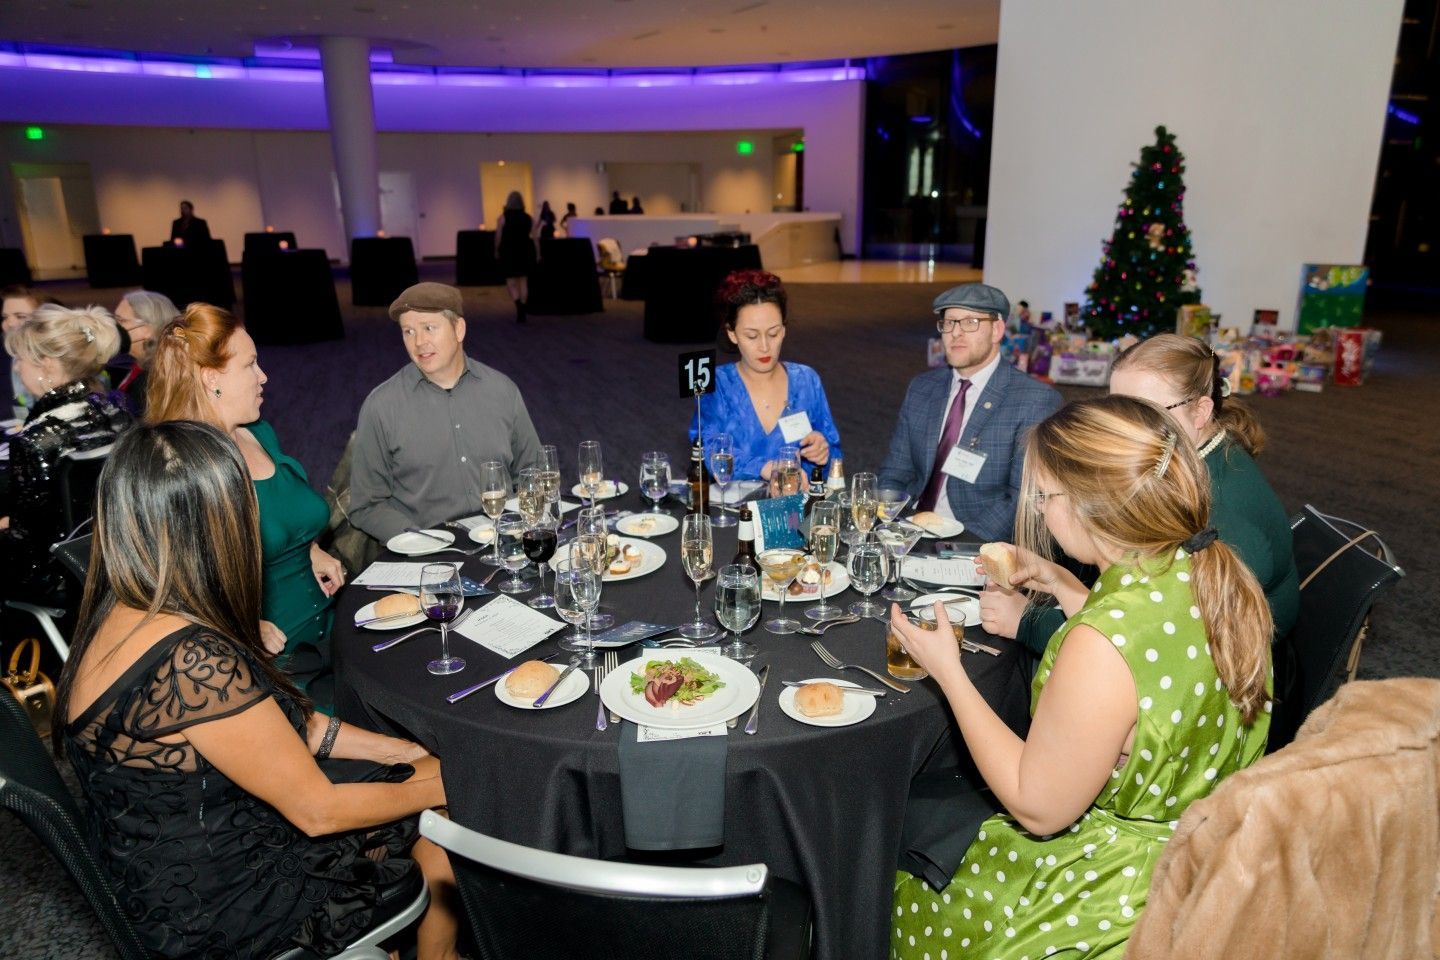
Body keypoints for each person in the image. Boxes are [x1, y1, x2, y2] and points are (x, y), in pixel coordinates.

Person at [54, 420, 460, 960]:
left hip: (174, 871)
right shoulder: (188, 661)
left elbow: (294, 724)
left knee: (422, 769)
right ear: (209, 527)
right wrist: (447, 787)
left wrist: (405, 752)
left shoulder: (121, 613)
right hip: (228, 913)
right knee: (449, 811)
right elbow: (318, 811)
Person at [890, 394, 1273, 959]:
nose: (1041, 511)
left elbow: (1038, 805)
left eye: (1046, 497)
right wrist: (1056, 578)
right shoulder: (1211, 572)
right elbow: (1142, 642)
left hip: (1119, 889)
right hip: (1208, 854)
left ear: (1095, 507)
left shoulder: (1099, 647)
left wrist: (948, 671)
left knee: (901, 877)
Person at [990, 333, 1301, 657]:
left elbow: (1157, 651)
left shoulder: (1216, 514)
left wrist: (1028, 623)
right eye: (1113, 408)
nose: (1116, 427)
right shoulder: (1192, 463)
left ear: (1200, 412)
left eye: (1142, 410)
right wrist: (1062, 581)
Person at [146, 304, 345, 699]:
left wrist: (312, 547)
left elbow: (283, 513)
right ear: (211, 378)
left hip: (328, 630)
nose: (264, 376)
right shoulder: (182, 470)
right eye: (250, 365)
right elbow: (164, 584)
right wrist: (233, 625)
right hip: (269, 663)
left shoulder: (258, 432)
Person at [350, 282, 542, 543]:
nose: (419, 342)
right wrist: (419, 540)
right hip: (425, 555)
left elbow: (533, 472)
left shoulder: (502, 391)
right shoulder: (381, 407)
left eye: (429, 328)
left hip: (502, 543)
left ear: (458, 329)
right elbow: (366, 506)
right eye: (408, 331)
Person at [878, 282, 1062, 541]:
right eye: (949, 323)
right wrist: (891, 525)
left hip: (975, 540)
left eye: (970, 322)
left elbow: (1021, 499)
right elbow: (894, 473)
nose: (956, 333)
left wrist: (959, 545)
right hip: (912, 527)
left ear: (997, 329)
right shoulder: (922, 388)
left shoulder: (1034, 400)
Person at [1, 305, 128, 601]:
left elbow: (30, 544)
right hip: (122, 556)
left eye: (21, 359)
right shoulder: (117, 408)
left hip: (62, 574)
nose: (17, 368)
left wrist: (9, 523)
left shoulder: (39, 439)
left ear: (46, 365)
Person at [688, 270, 841, 481]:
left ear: (784, 329)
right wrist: (765, 467)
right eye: (751, 336)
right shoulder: (717, 384)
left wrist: (822, 452)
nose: (764, 346)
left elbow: (834, 462)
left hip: (794, 509)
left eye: (773, 333)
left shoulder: (806, 380)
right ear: (732, 333)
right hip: (734, 510)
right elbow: (709, 452)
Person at [109, 289, 179, 418]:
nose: (114, 326)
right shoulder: (141, 364)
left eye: (121, 321)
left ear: (148, 329)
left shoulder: (152, 380)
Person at [2, 285, 62, 419]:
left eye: (20, 316)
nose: (10, 323)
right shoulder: (7, 355)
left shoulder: (63, 360)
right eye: (5, 317)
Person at [494, 191, 536, 322]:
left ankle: (519, 307)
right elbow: (535, 237)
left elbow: (498, 236)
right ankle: (523, 307)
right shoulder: (528, 218)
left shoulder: (503, 217)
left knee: (511, 281)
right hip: (525, 250)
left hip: (509, 251)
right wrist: (538, 253)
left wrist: (496, 249)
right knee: (523, 281)